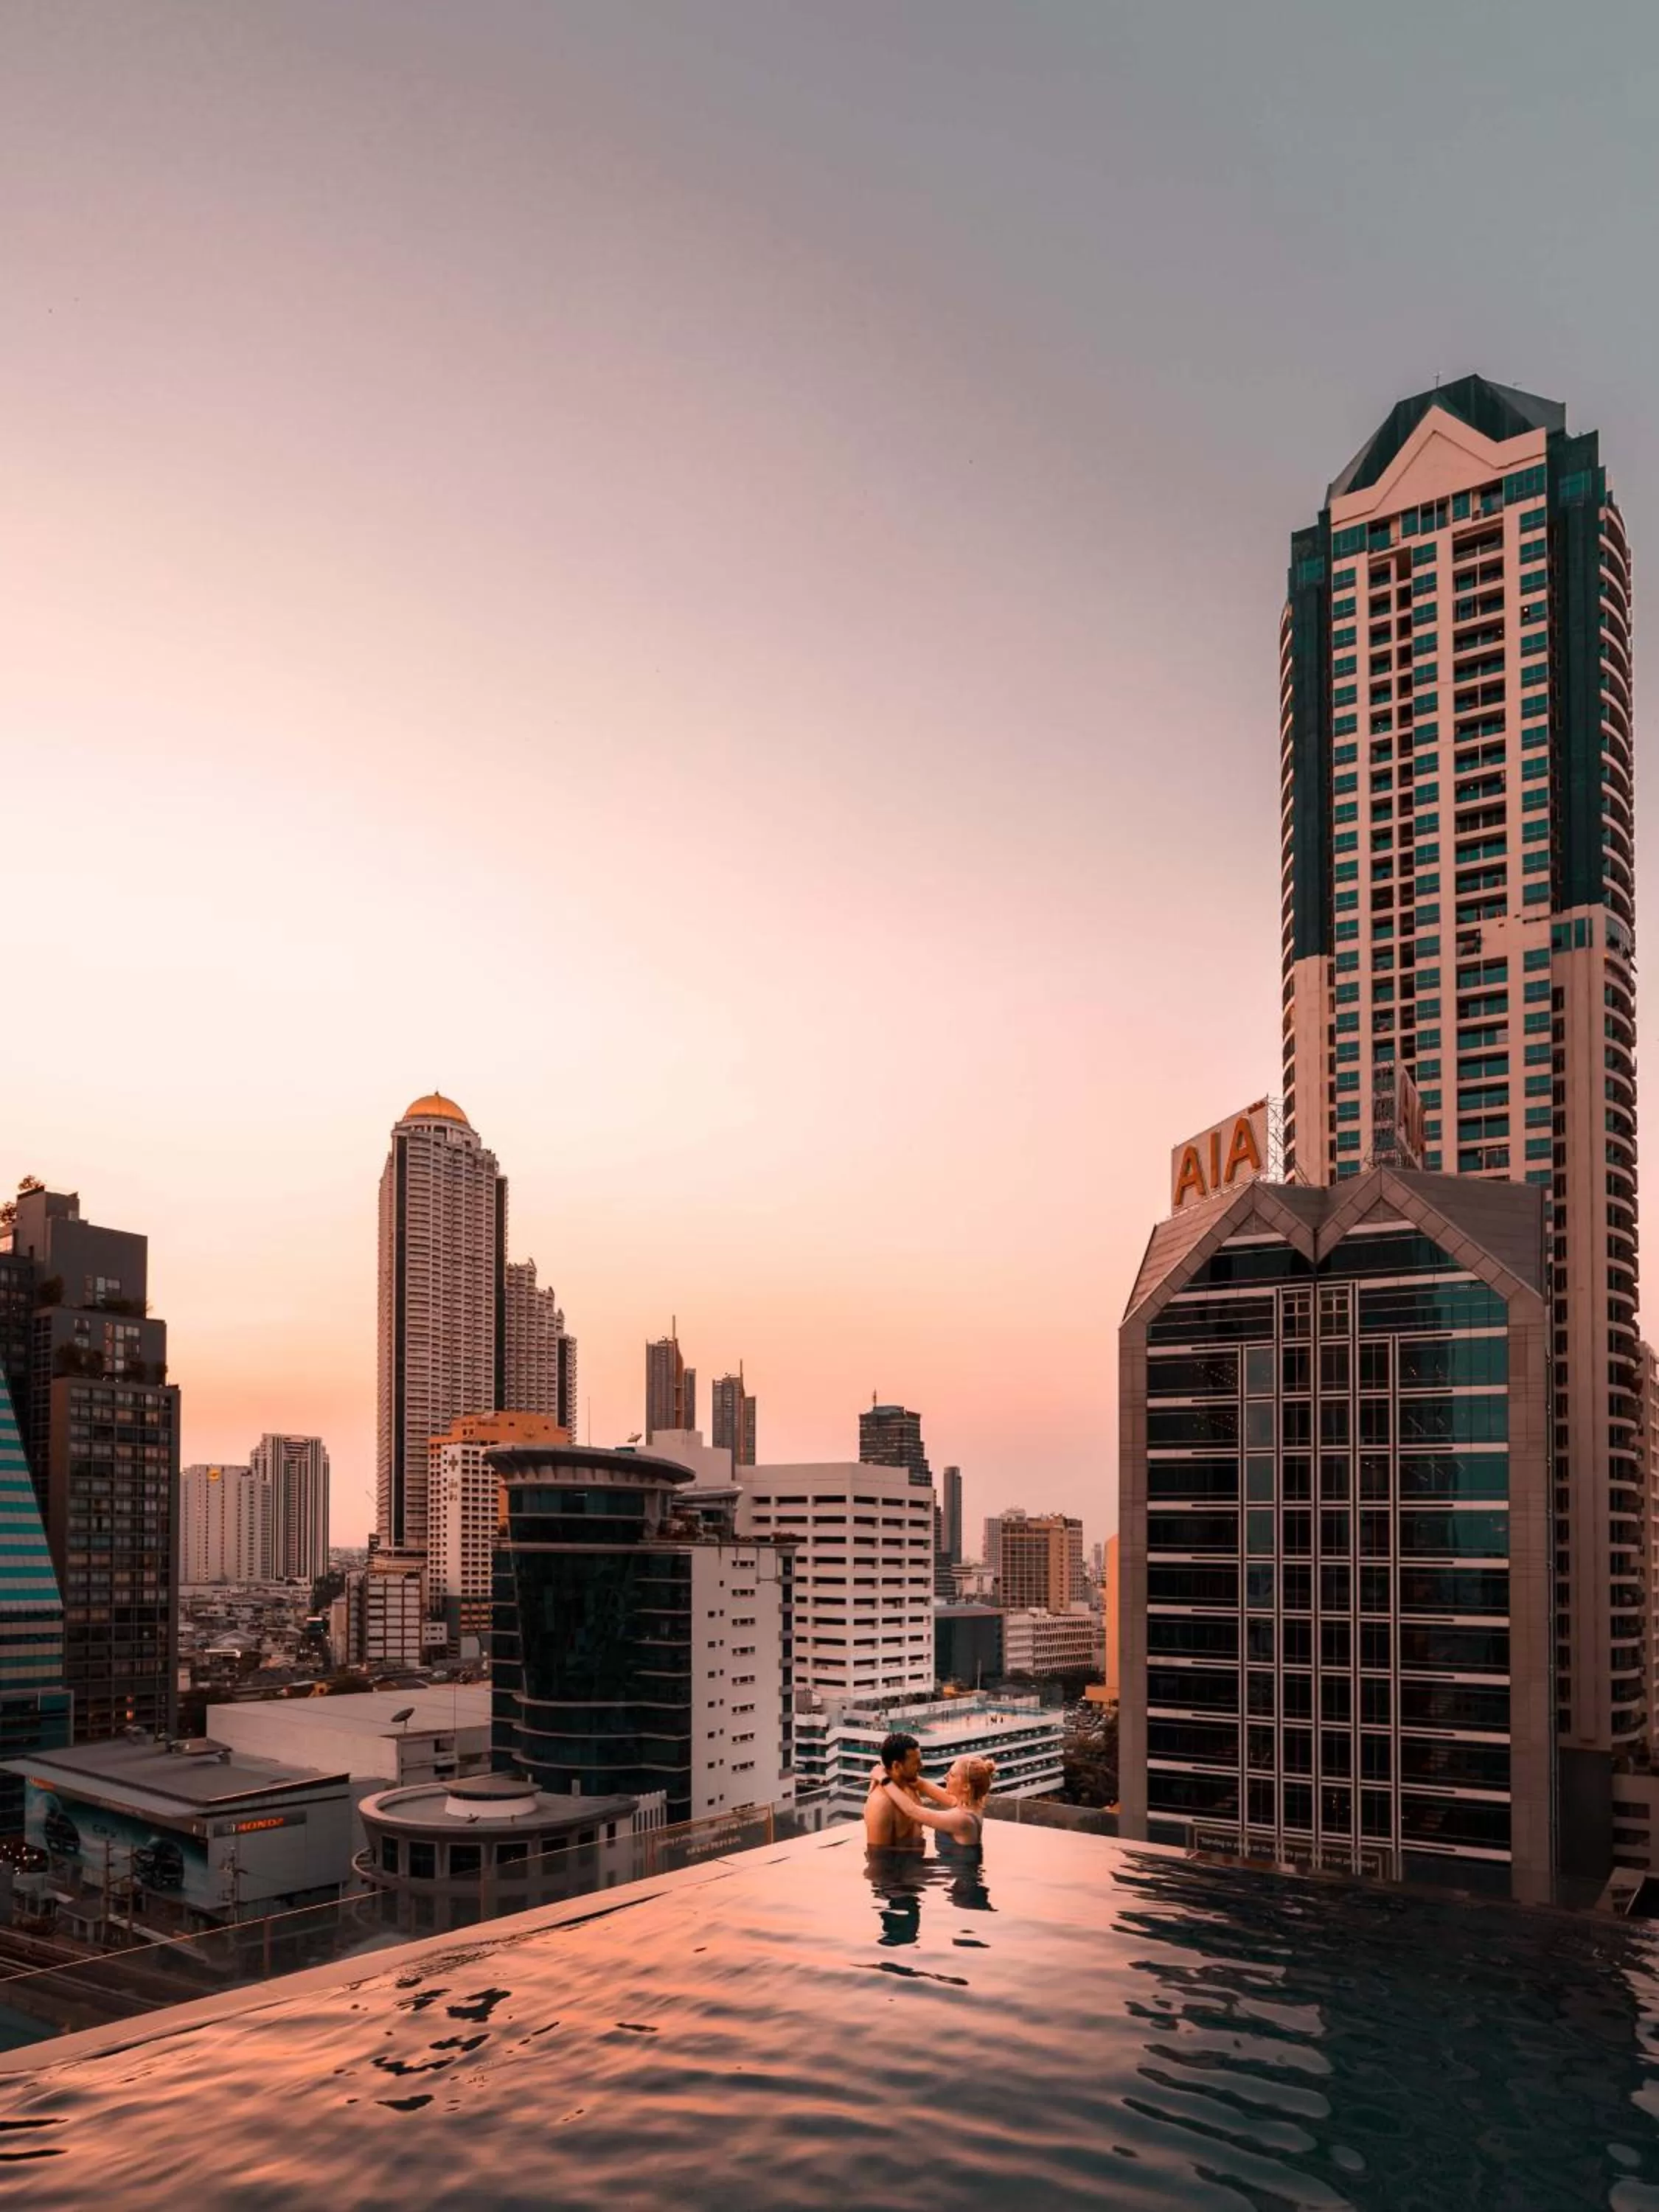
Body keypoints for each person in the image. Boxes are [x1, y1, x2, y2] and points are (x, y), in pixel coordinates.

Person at [877, 1754, 996, 1847]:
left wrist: (883, 1779)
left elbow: (912, 1811)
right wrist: (905, 1775)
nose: (946, 1777)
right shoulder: (975, 1804)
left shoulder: (961, 1820)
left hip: (960, 1876)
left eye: (952, 1775)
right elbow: (925, 1787)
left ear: (966, 1787)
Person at [863, 1731, 956, 1847]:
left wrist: (883, 1775)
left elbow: (958, 1801)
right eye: (916, 1763)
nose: (922, 1766)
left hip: (917, 1861)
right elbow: (878, 1858)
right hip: (902, 1864)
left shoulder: (911, 1783)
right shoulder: (881, 1804)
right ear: (896, 1766)